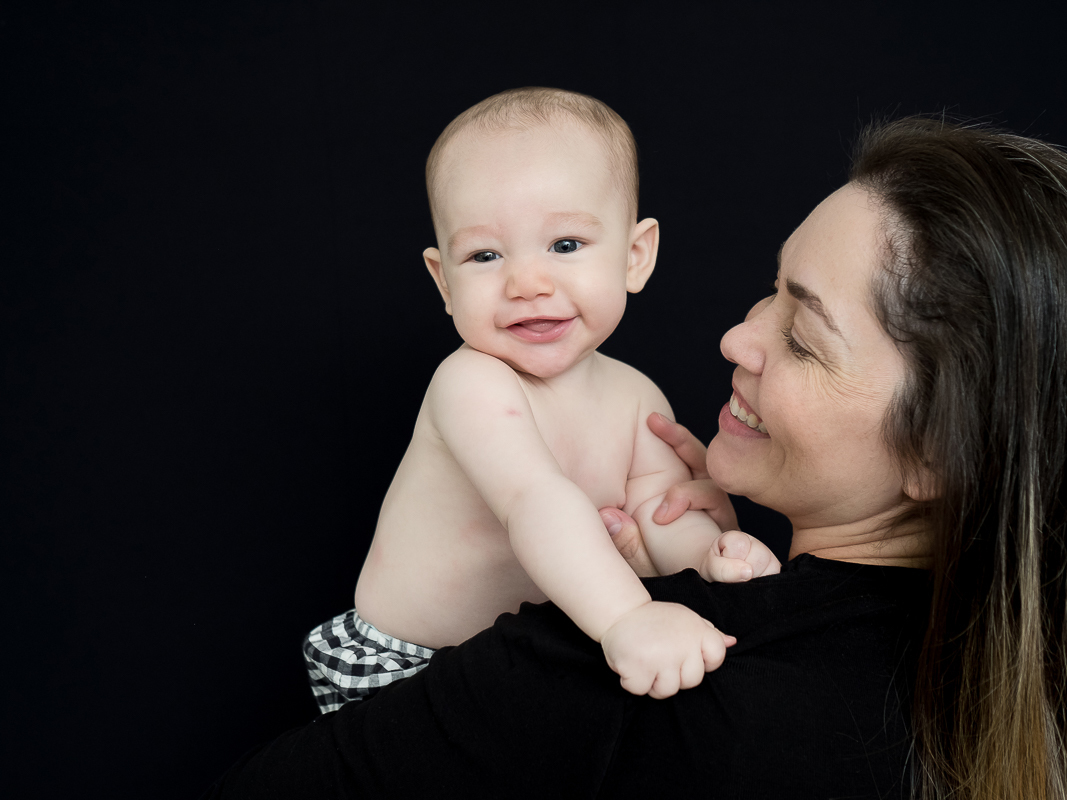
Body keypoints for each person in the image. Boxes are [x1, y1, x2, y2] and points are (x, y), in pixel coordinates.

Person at [205, 117, 1067, 799]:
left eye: (803, 336)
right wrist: (702, 551)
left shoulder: (632, 681)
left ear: (941, 448)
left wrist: (628, 610)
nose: (738, 336)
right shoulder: (1060, 713)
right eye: (771, 287)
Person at [304, 87, 781, 714]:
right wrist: (627, 618)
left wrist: (707, 558)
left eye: (564, 245)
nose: (527, 284)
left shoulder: (636, 395)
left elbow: (656, 514)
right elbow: (535, 500)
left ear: (635, 257)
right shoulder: (471, 383)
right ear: (443, 281)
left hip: (539, 650)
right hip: (408, 664)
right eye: (485, 255)